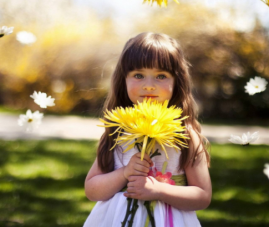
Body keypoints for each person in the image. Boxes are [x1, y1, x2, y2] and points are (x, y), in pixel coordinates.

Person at [83, 32, 211, 227]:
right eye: (138, 75)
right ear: (123, 80)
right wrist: (124, 173)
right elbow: (92, 190)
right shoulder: (116, 132)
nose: (149, 86)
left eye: (161, 76)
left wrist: (159, 191)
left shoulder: (184, 135)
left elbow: (202, 196)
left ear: (177, 82)